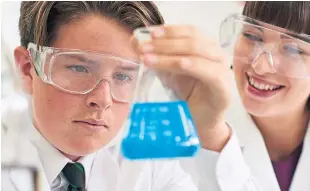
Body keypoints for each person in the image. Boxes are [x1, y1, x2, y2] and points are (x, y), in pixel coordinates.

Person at [8, 1, 199, 191]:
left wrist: (212, 129)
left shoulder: (151, 163)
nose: (103, 100)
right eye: (79, 68)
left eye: (123, 76)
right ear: (27, 69)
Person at [134, 1, 310, 191]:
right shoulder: (188, 128)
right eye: (251, 36)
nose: (260, 66)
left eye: (293, 50)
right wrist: (212, 135)